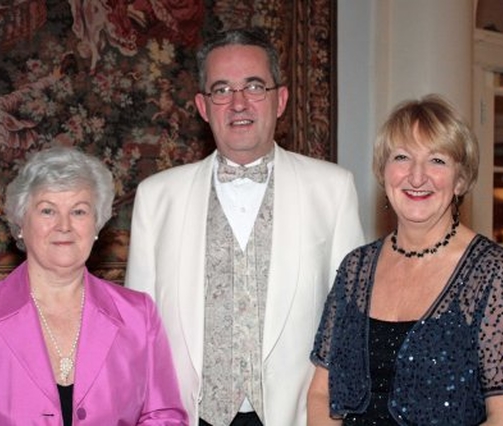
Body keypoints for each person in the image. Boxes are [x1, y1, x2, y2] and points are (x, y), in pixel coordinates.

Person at [125, 27, 365, 426]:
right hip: (187, 415)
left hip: (295, 415)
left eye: (254, 86)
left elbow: (350, 326)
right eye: (222, 89)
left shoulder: (333, 189)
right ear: (203, 106)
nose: (238, 103)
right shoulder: (156, 197)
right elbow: (138, 334)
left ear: (280, 100)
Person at [307, 94, 503, 425]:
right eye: (402, 157)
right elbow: (321, 393)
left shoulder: (495, 276)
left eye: (437, 160)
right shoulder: (355, 269)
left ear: (460, 179)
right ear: (383, 171)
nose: (416, 177)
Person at [0, 146, 188, 425]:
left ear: (97, 225)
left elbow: (163, 417)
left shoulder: (138, 315)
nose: (64, 225)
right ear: (20, 223)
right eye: (47, 211)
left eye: (79, 211)